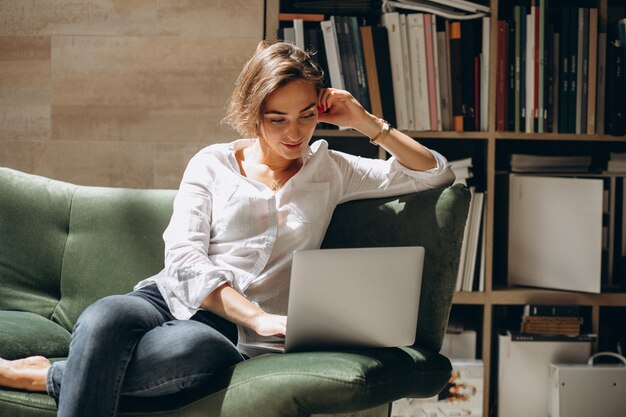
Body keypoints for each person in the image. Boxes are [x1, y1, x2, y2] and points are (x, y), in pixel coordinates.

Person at [0, 40, 454, 417]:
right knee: (102, 318)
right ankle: (62, 369)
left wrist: (368, 123)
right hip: (170, 297)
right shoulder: (213, 163)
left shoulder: (331, 169)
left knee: (187, 352)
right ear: (253, 111)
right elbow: (183, 257)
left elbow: (434, 173)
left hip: (223, 333)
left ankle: (44, 375)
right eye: (277, 118)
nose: (294, 133)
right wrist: (256, 315)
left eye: (306, 116)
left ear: (321, 110)